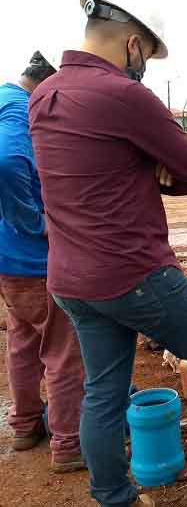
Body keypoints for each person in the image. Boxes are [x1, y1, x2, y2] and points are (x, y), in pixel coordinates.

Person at [28, 0, 187, 507]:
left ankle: (113, 496)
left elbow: (90, 169)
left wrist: (136, 168)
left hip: (70, 281)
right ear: (131, 43)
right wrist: (151, 169)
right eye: (144, 53)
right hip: (132, 273)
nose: (141, 64)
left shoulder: (45, 94)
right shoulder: (124, 96)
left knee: (103, 391)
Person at [0, 50, 86, 473]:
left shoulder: (3, 101)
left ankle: (25, 424)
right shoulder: (18, 111)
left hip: (8, 260)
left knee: (23, 340)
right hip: (34, 259)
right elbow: (8, 160)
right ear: (46, 81)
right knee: (64, 349)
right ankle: (69, 444)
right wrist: (36, 222)